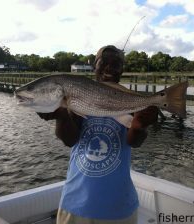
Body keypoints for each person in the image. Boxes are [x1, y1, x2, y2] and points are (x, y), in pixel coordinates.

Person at [37, 45, 158, 224]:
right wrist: (60, 115)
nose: (109, 68)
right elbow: (70, 140)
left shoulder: (130, 98)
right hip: (75, 202)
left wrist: (139, 126)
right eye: (104, 62)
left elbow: (134, 142)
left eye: (116, 64)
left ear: (122, 70)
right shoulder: (79, 93)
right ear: (95, 65)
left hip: (119, 205)